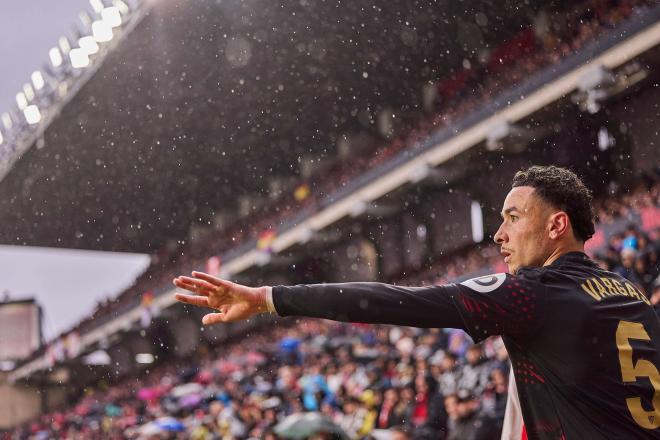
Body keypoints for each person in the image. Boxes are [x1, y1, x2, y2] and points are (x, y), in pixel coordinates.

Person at [174, 165, 660, 439]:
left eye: (513, 218)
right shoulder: (629, 294)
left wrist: (270, 298)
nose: (498, 234)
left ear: (557, 226)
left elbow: (395, 302)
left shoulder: (533, 295)